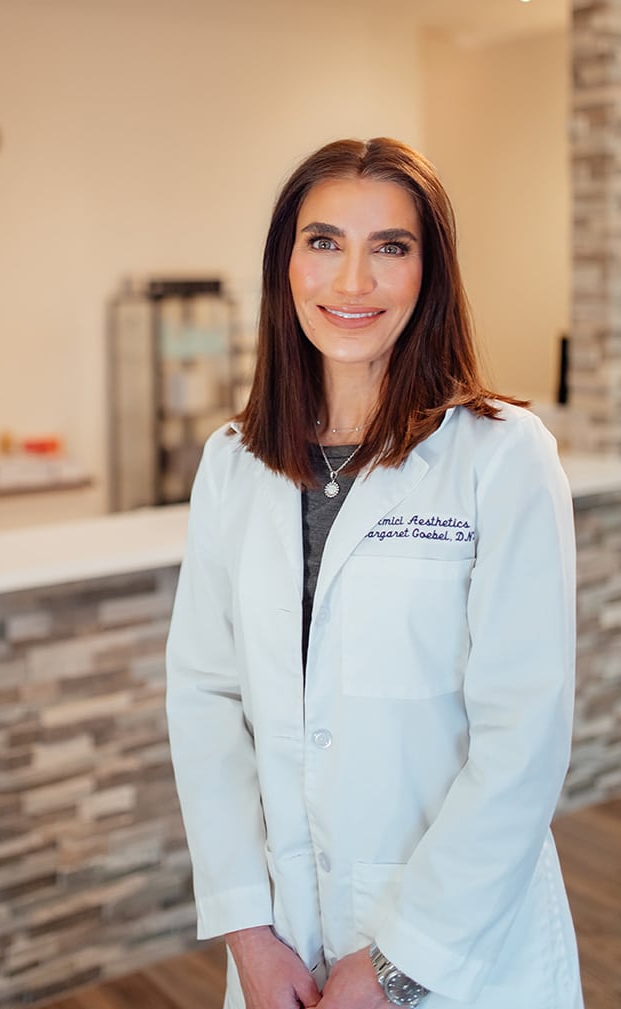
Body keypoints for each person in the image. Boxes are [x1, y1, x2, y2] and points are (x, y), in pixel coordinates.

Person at [166, 137, 583, 1009]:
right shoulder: (233, 462)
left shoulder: (501, 458)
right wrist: (248, 930)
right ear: (286, 264)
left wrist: (396, 963)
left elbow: (521, 741)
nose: (351, 282)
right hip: (282, 950)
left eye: (389, 248)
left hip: (462, 953)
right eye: (323, 243)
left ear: (428, 273)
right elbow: (205, 700)